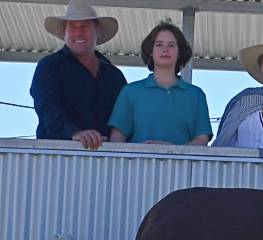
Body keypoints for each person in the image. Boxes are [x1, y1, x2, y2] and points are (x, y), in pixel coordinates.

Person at [29, 1, 126, 150]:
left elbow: (124, 118)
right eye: (72, 27)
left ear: (97, 30)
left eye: (85, 26)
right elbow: (47, 107)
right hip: (55, 157)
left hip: (106, 160)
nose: (78, 33)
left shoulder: (114, 76)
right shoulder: (49, 66)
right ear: (64, 32)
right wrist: (74, 133)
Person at [108, 22, 212, 145]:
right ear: (150, 51)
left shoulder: (196, 95)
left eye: (171, 45)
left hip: (182, 165)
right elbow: (117, 137)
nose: (165, 49)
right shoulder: (130, 92)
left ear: (180, 52)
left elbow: (202, 139)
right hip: (138, 164)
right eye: (159, 44)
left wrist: (173, 152)